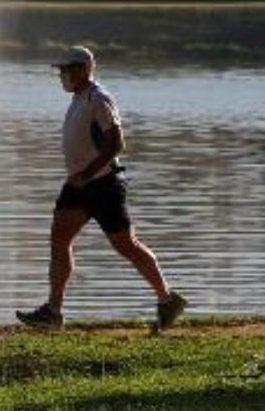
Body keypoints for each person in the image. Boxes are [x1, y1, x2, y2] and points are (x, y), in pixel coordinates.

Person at [16, 45, 187, 331]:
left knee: (126, 246)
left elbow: (116, 143)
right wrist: (79, 177)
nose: (62, 76)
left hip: (103, 185)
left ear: (83, 69)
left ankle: (167, 299)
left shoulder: (99, 98)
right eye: (61, 71)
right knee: (59, 239)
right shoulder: (79, 98)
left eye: (66, 70)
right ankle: (53, 312)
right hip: (77, 185)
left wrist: (89, 173)